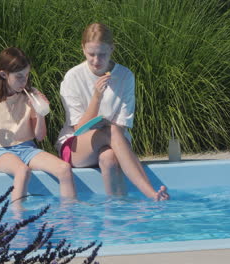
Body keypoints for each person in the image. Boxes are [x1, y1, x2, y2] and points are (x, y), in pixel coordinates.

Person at [56, 23, 169, 201]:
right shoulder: (73, 76)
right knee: (112, 131)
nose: (96, 60)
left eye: (102, 54)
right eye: (91, 54)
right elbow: (79, 128)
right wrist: (96, 97)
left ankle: (116, 215)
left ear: (112, 49)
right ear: (83, 49)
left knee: (109, 158)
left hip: (114, 144)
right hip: (77, 146)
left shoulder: (125, 76)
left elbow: (122, 126)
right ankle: (150, 193)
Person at [0, 47, 77, 209]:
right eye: (19, 77)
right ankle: (18, 219)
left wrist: (40, 113)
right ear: (4, 74)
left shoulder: (32, 94)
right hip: (0, 150)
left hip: (28, 149)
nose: (24, 82)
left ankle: (70, 218)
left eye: (26, 76)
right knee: (22, 171)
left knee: (64, 169)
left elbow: (40, 137)